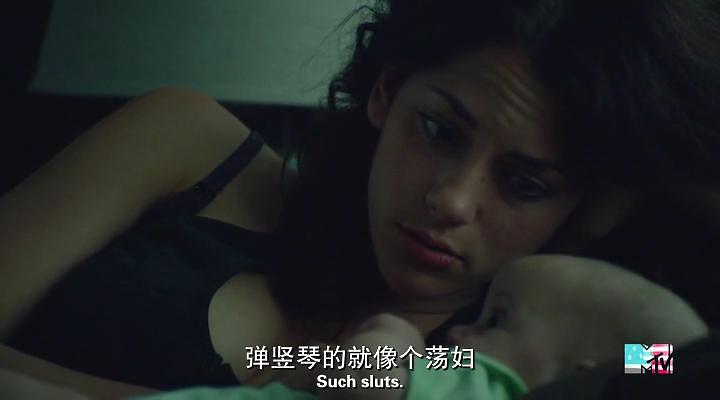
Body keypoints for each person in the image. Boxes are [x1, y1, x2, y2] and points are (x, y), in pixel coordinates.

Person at [1, 0, 718, 397]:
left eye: (523, 184)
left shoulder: (499, 358)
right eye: (438, 131)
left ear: (590, 206)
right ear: (385, 91)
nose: (451, 200)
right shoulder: (188, 143)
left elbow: (673, 358)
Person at [86, 254, 705, 400]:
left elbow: (365, 380)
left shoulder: (484, 385)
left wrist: (392, 338)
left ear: (576, 378)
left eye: (496, 321)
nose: (460, 335)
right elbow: (660, 361)